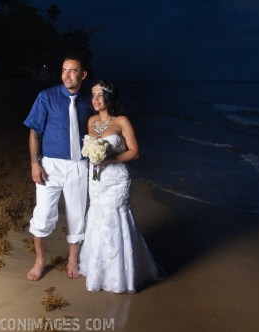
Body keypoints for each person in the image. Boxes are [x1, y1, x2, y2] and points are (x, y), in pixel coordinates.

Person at [78, 80, 165, 293]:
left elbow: (135, 152)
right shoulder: (90, 121)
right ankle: (98, 269)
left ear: (109, 98)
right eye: (93, 95)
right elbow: (88, 150)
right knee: (97, 218)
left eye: (100, 95)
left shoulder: (122, 121)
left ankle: (119, 276)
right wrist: (94, 157)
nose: (95, 99)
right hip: (96, 180)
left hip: (116, 179)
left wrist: (109, 159)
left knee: (114, 219)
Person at [23, 55, 92, 281]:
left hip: (79, 165)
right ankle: (40, 261)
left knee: (77, 214)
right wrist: (35, 163)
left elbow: (99, 129)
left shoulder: (88, 101)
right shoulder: (46, 97)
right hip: (50, 164)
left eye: (72, 71)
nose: (66, 75)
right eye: (64, 70)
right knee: (43, 215)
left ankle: (72, 259)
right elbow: (34, 131)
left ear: (83, 75)